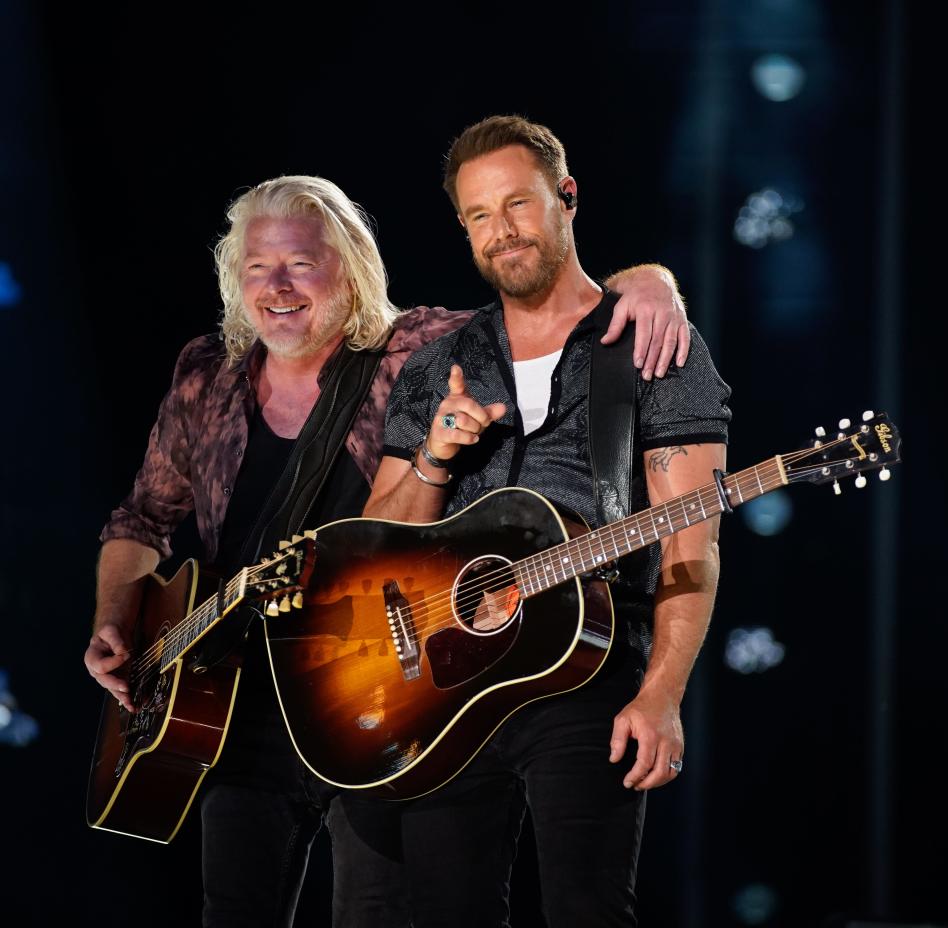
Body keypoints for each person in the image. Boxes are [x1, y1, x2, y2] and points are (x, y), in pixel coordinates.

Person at [83, 172, 692, 927]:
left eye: (302, 263)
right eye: (256, 268)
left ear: (351, 267)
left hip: (373, 693)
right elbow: (142, 519)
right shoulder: (206, 373)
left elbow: (544, 302)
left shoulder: (418, 349)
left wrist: (649, 282)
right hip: (231, 698)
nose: (278, 286)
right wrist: (115, 619)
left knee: (378, 911)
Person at [362, 116, 732, 927]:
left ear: (567, 199)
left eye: (519, 205)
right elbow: (376, 542)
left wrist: (663, 694)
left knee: (587, 910)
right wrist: (433, 457)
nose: (503, 232)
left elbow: (689, 545)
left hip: (587, 668)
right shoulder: (436, 366)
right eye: (480, 217)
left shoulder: (652, 342)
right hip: (446, 686)